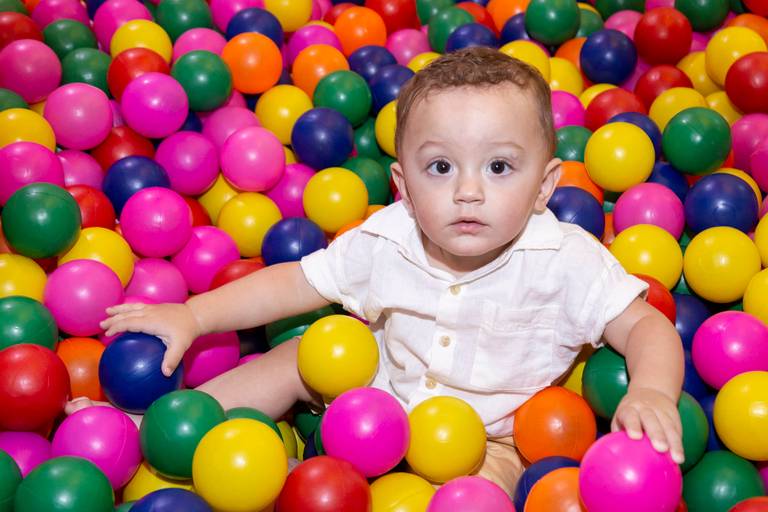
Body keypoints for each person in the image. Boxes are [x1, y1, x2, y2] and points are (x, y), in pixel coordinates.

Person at [81, 47, 685, 495]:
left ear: (544, 186)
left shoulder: (567, 259)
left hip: (485, 436)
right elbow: (295, 282)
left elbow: (644, 326)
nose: (468, 191)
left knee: (486, 486)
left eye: (500, 168)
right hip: (370, 393)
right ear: (402, 186)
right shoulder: (388, 237)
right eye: (440, 167)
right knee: (300, 356)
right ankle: (167, 433)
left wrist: (652, 391)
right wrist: (192, 314)